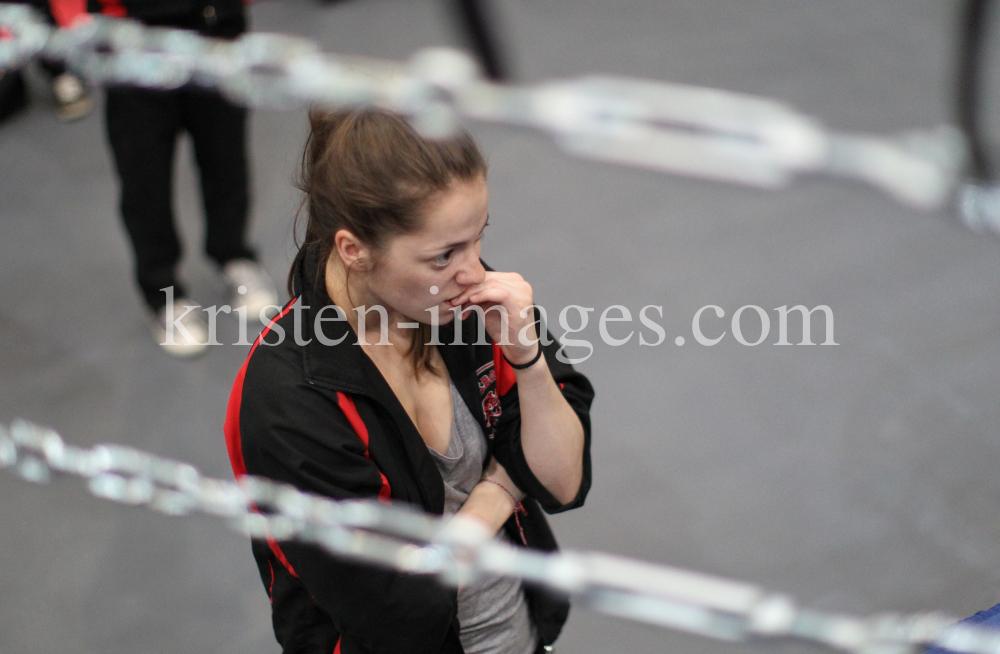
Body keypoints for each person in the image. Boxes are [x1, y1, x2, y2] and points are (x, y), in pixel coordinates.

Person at [224, 109, 594, 654]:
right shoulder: (287, 403)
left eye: (476, 239)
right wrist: (497, 492)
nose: (474, 272)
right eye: (444, 254)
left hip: (515, 629)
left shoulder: (459, 298)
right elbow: (398, 615)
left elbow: (562, 480)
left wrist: (527, 358)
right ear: (354, 250)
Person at [100, 0, 277, 357]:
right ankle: (163, 293)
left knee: (225, 153)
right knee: (144, 174)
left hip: (214, 22)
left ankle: (233, 255)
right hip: (131, 35)